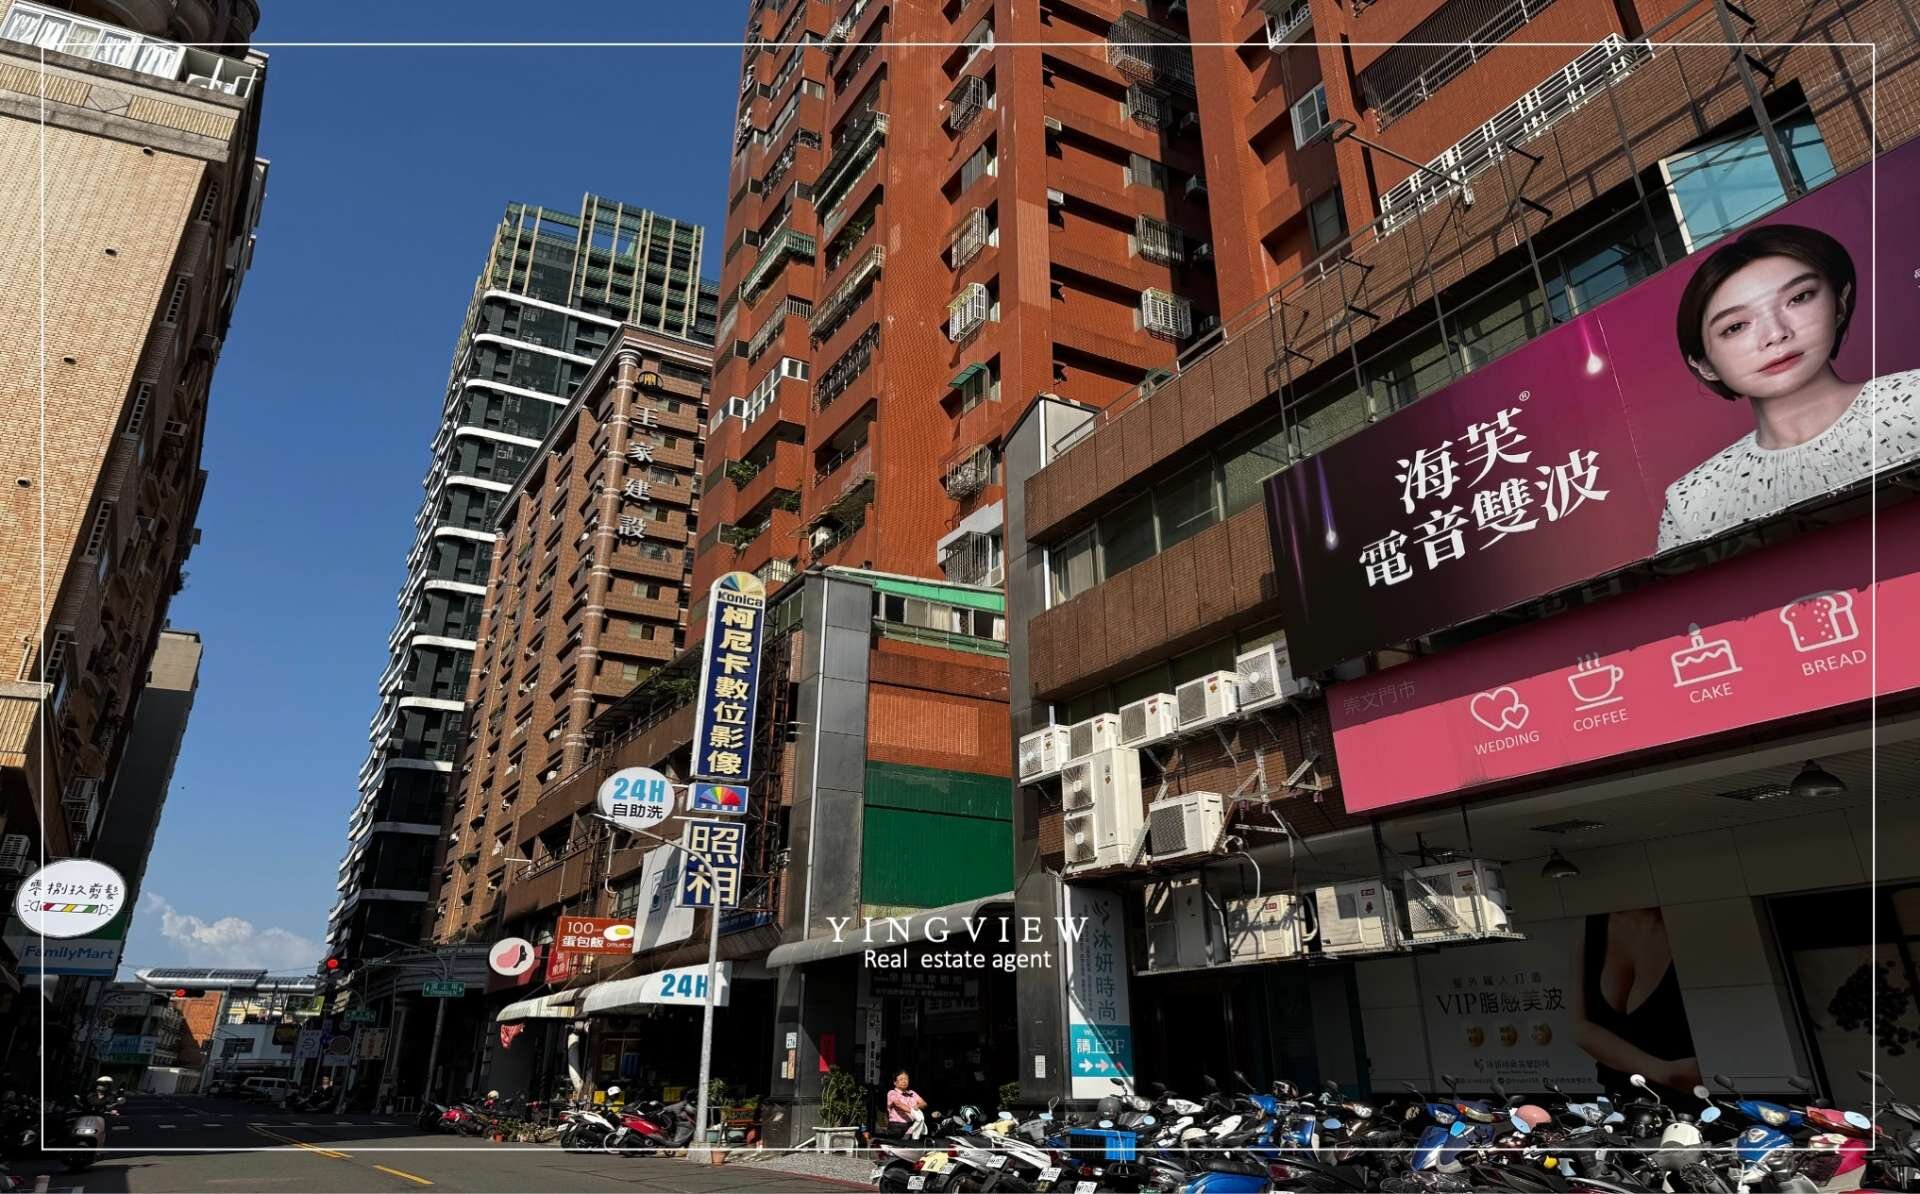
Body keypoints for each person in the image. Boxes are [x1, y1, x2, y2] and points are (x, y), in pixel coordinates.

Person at [1657, 223, 1920, 551]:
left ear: (1839, 304)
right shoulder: (1691, 502)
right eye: (1735, 327)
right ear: (1705, 365)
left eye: (1799, 298)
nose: (1776, 334)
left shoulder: (1913, 401)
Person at [1571, 908, 1701, 1103]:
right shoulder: (1589, 926)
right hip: (1618, 1101)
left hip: (1694, 1100)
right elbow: (1581, 1028)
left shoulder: (1688, 921)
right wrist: (1664, 1072)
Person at [881, 1071, 926, 1140]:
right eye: (901, 1079)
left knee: (912, 1144)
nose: (904, 1081)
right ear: (895, 1083)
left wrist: (917, 1106)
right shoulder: (892, 1092)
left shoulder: (912, 1093)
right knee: (895, 1145)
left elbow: (924, 1103)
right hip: (896, 1126)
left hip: (911, 1125)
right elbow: (898, 1104)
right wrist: (913, 1111)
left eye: (906, 1079)